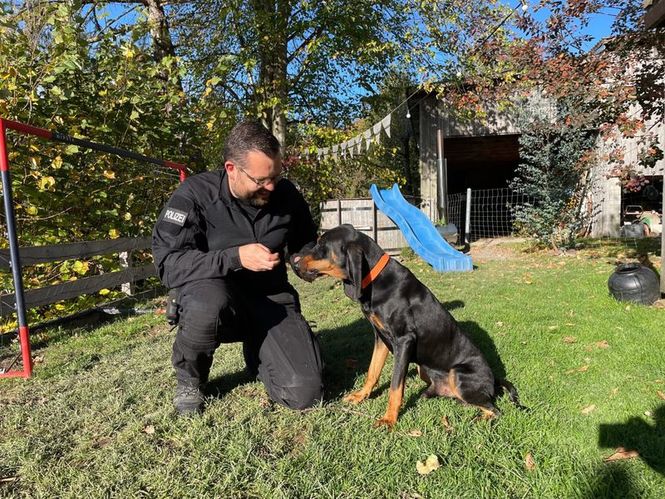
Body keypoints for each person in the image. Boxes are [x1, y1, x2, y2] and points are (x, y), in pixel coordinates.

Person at [152, 120, 323, 416]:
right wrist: (235, 258)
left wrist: (302, 260)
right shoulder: (194, 195)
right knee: (208, 302)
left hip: (270, 298)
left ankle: (261, 352)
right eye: (260, 180)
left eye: (276, 176)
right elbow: (169, 264)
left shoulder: (286, 194)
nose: (270, 186)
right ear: (232, 168)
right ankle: (191, 379)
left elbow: (303, 241)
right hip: (214, 294)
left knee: (305, 393)